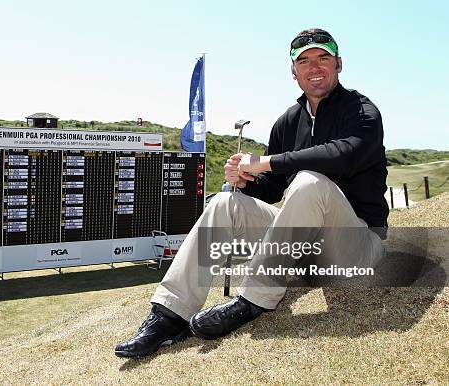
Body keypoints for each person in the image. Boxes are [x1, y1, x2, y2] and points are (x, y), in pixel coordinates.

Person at [115, 28, 389, 358]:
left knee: (309, 181)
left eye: (323, 58)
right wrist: (247, 181)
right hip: (305, 255)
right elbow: (272, 189)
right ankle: (169, 314)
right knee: (226, 203)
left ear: (339, 64)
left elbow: (343, 156)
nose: (314, 67)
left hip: (357, 252)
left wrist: (262, 162)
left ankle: (252, 301)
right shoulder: (288, 123)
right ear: (294, 72)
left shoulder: (362, 111)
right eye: (304, 61)